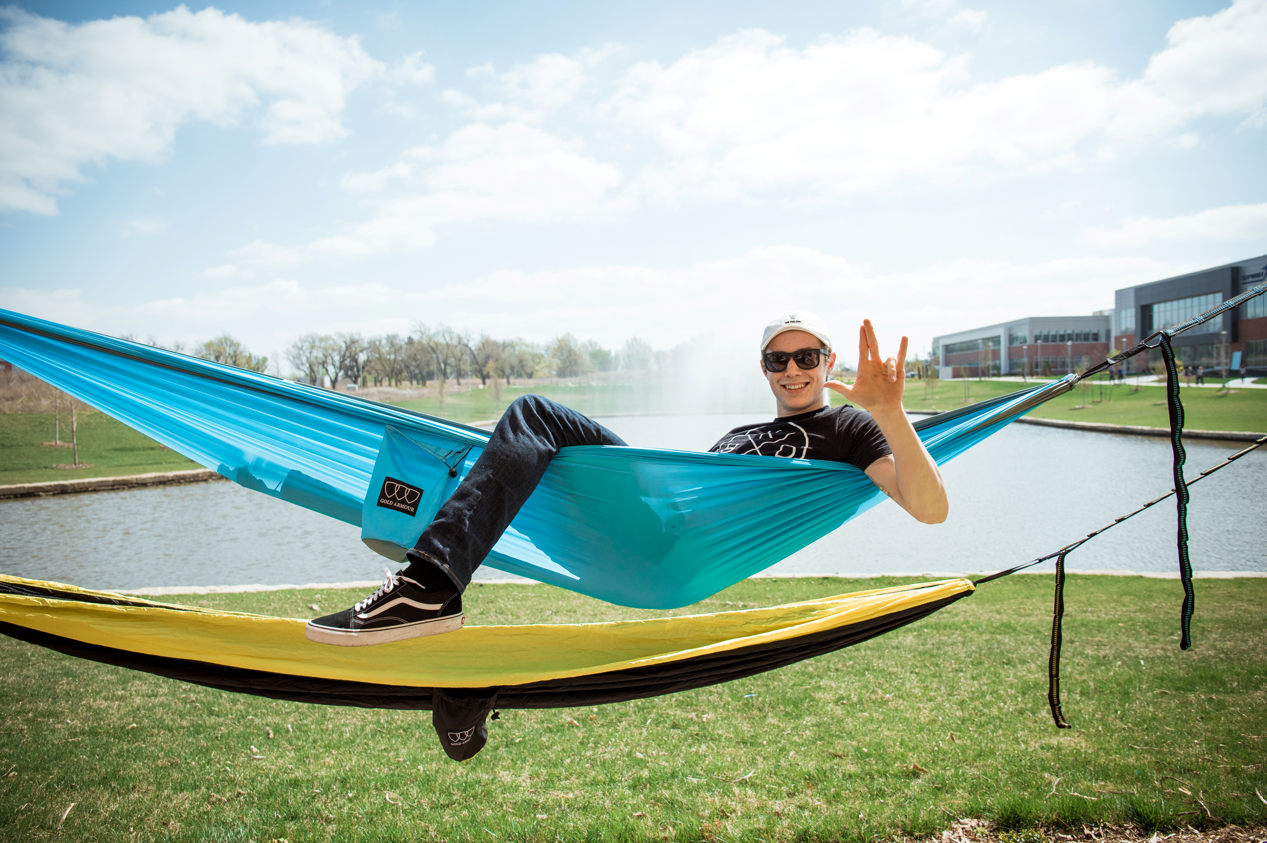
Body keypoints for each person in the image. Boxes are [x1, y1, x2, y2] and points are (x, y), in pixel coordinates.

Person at [306, 313, 948, 646]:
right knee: (521, 455)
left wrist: (888, 412)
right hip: (647, 522)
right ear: (764, 367)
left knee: (535, 415)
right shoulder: (744, 434)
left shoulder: (848, 430)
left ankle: (426, 585)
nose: (792, 370)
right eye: (778, 359)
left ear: (827, 362)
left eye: (806, 357)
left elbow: (930, 510)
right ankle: (456, 693)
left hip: (674, 546)